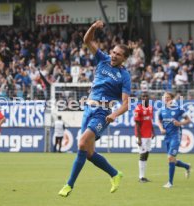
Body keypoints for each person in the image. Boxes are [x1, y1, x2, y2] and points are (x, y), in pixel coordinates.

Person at [58, 20, 131, 197]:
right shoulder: (103, 59)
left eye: (118, 54)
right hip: (88, 110)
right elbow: (86, 40)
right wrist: (93, 28)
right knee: (89, 153)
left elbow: (126, 104)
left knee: (82, 143)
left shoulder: (124, 75)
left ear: (124, 58)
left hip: (102, 113)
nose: (113, 55)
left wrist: (114, 114)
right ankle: (115, 174)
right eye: (113, 52)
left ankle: (69, 185)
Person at [158, 92, 192, 188]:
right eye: (165, 98)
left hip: (175, 136)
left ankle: (170, 183)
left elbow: (188, 120)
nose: (166, 99)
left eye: (168, 97)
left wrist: (179, 123)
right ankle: (187, 166)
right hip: (167, 136)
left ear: (172, 99)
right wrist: (161, 129)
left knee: (170, 158)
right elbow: (159, 121)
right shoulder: (162, 110)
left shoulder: (179, 109)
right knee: (172, 160)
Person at [134, 92, 155, 183]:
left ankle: (143, 176)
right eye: (143, 96)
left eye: (146, 96)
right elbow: (137, 124)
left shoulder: (150, 108)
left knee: (146, 154)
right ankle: (141, 177)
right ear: (141, 98)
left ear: (148, 98)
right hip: (141, 136)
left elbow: (150, 121)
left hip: (148, 135)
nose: (145, 97)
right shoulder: (138, 109)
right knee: (142, 155)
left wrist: (153, 132)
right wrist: (139, 139)